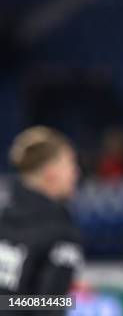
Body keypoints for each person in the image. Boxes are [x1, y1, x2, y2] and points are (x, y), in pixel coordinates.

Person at [0, 126, 83, 296]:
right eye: (70, 163)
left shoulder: (4, 217)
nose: (76, 173)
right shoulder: (60, 232)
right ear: (51, 171)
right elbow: (48, 306)